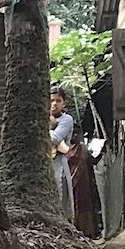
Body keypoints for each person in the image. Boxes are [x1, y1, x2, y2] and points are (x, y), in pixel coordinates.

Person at [48, 89, 77, 222]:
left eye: (58, 101)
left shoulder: (66, 119)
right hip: (46, 162)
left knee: (61, 197)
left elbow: (55, 138)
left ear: (63, 104)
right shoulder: (43, 118)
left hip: (60, 163)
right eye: (51, 100)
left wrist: (44, 130)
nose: (54, 104)